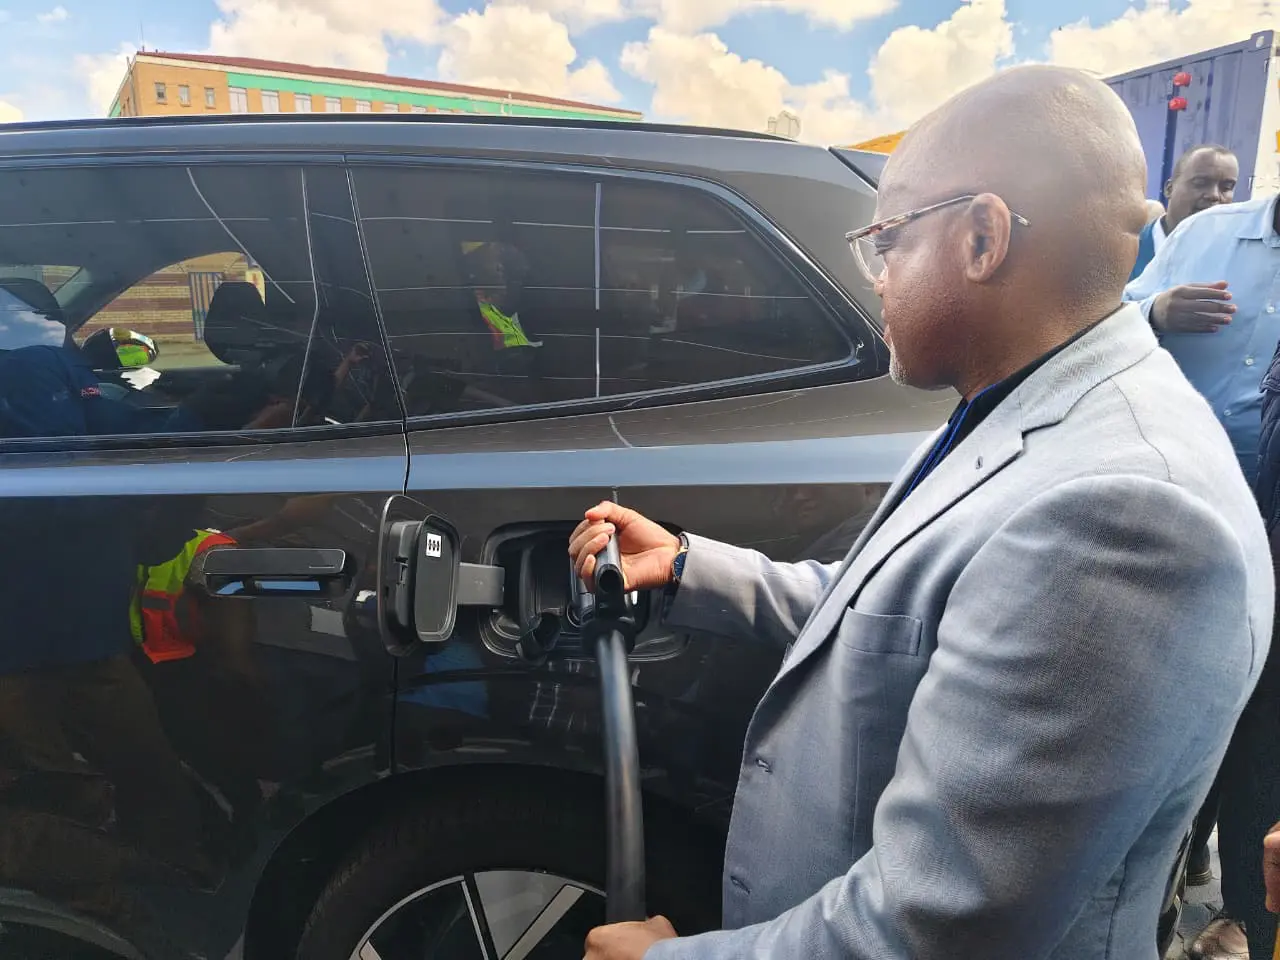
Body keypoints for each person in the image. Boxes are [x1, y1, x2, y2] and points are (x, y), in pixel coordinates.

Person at [570, 65, 1272, 960]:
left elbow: (940, 925)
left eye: (887, 241)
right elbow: (897, 618)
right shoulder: (1028, 403)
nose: (875, 277)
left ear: (983, 237)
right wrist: (684, 567)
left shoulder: (1126, 516)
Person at [1129, 144, 1238, 281]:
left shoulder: (1235, 263)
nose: (1214, 195)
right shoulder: (1124, 255)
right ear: (1169, 189)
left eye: (1226, 187)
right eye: (1200, 183)